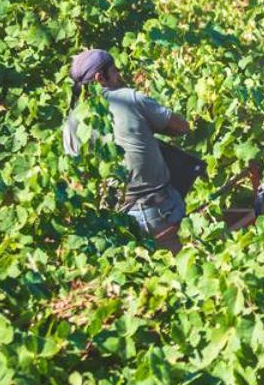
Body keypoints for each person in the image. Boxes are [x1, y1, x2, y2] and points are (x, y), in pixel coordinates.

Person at [67, 48, 191, 251]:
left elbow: (75, 180)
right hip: (157, 212)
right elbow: (181, 127)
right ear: (100, 78)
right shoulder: (128, 98)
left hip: (111, 219)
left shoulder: (72, 122)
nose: (119, 75)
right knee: (177, 268)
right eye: (114, 71)